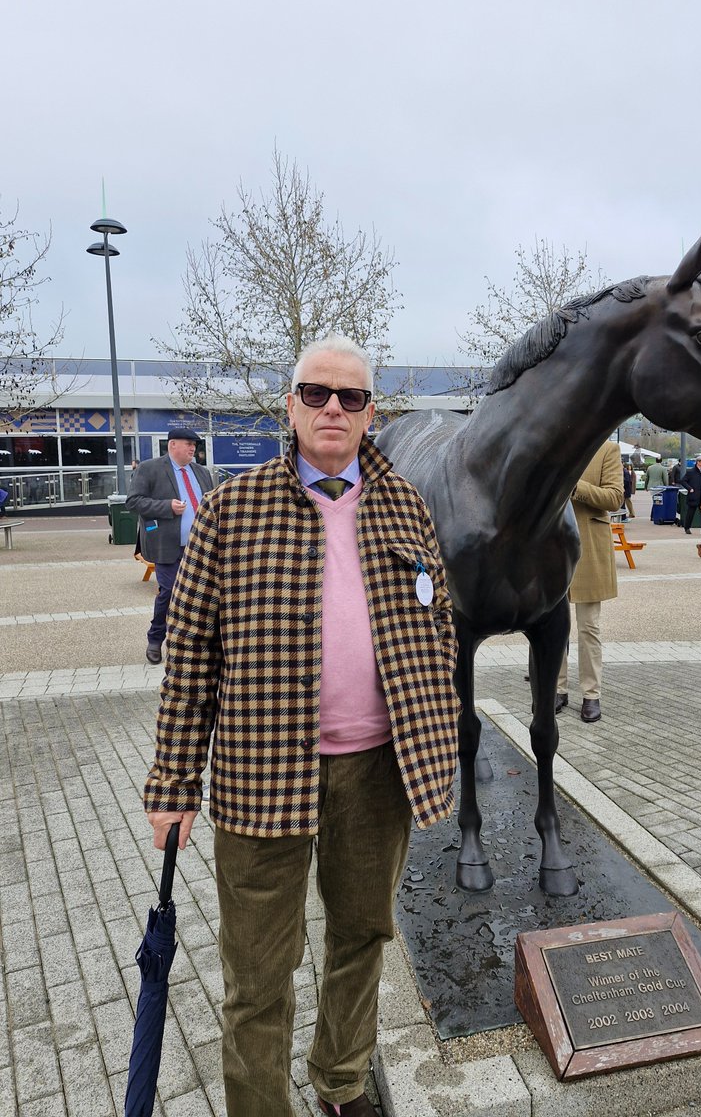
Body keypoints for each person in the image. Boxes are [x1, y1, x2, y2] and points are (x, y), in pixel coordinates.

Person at [143, 335, 459, 1117]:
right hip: (262, 773)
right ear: (290, 404)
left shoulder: (405, 504)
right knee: (257, 972)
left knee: (361, 939)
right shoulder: (234, 506)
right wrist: (173, 783)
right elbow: (190, 655)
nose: (332, 409)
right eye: (317, 393)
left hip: (378, 773)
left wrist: (437, 739)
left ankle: (342, 1082)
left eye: (350, 398)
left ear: (369, 414)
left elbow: (439, 624)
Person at [126, 429, 213, 663]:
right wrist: (167, 507)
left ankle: (194, 644)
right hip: (167, 546)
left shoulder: (202, 472)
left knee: (203, 597)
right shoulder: (150, 468)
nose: (193, 448)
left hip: (201, 548)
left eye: (195, 444)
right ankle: (156, 639)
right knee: (171, 593)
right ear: (172, 445)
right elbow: (133, 501)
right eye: (188, 443)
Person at [557, 440, 624, 723]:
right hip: (553, 547)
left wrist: (575, 487)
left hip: (588, 545)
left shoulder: (607, 449)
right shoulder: (554, 445)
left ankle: (591, 694)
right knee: (553, 627)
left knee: (589, 627)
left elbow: (614, 497)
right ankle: (555, 688)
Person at [681, 454, 701, 536]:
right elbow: (683, 481)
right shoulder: (691, 472)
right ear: (698, 462)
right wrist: (690, 488)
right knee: (690, 513)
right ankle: (687, 527)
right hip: (693, 496)